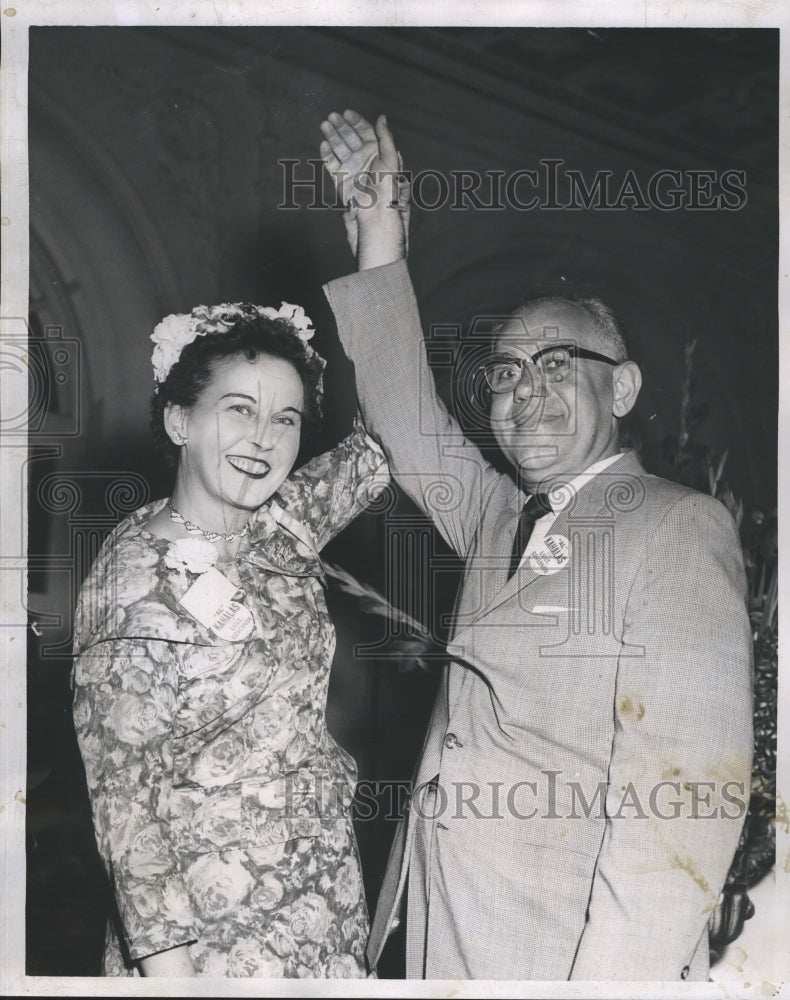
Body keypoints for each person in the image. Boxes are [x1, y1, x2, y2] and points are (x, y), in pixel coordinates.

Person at [318, 109, 754, 981]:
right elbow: (405, 422)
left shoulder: (676, 526)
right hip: (442, 928)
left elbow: (682, 813)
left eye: (558, 364)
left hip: (559, 957)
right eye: (508, 372)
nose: (528, 391)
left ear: (623, 386)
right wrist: (378, 231)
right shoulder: (493, 514)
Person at [71, 300, 389, 977]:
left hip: (323, 916)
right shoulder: (130, 585)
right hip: (213, 950)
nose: (263, 440)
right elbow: (129, 818)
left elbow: (381, 439)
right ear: (179, 419)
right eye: (239, 410)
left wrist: (378, 229)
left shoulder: (280, 526)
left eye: (286, 419)